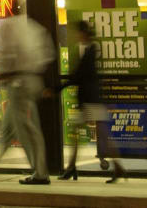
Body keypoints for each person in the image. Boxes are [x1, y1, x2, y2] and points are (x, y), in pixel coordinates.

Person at [0, 0, 55, 184]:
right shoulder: (35, 27)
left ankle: (40, 173)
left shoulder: (9, 25)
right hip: (34, 80)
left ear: (10, 9)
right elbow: (48, 54)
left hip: (18, 81)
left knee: (27, 129)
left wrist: (3, 73)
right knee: (14, 123)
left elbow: (7, 53)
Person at [60, 20, 125, 183]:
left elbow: (79, 76)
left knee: (91, 133)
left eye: (78, 33)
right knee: (101, 133)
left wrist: (57, 88)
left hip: (89, 101)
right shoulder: (91, 49)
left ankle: (72, 167)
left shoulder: (90, 51)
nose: (76, 36)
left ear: (83, 33)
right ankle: (117, 167)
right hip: (92, 99)